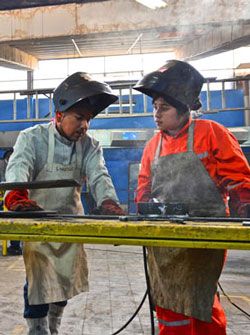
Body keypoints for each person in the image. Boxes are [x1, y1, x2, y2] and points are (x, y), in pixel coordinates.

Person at [133, 60, 250, 335]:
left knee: (201, 298)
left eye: (164, 108)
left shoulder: (212, 133)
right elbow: (144, 187)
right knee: (169, 302)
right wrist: (145, 204)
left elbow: (239, 179)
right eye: (154, 107)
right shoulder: (153, 145)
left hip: (205, 233)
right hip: (165, 239)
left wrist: (243, 201)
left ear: (184, 108)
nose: (156, 114)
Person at [4, 72, 124, 335]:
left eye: (88, 119)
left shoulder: (89, 145)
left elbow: (99, 174)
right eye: (79, 118)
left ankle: (53, 325)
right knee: (37, 282)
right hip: (37, 223)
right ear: (59, 116)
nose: (85, 126)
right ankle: (37, 329)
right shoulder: (31, 138)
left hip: (70, 223)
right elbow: (19, 166)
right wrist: (16, 195)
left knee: (64, 282)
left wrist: (108, 201)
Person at [0, 148, 22, 255]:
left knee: (15, 221)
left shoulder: (20, 165)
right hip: (5, 196)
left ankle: (15, 246)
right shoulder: (3, 166)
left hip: (13, 197)